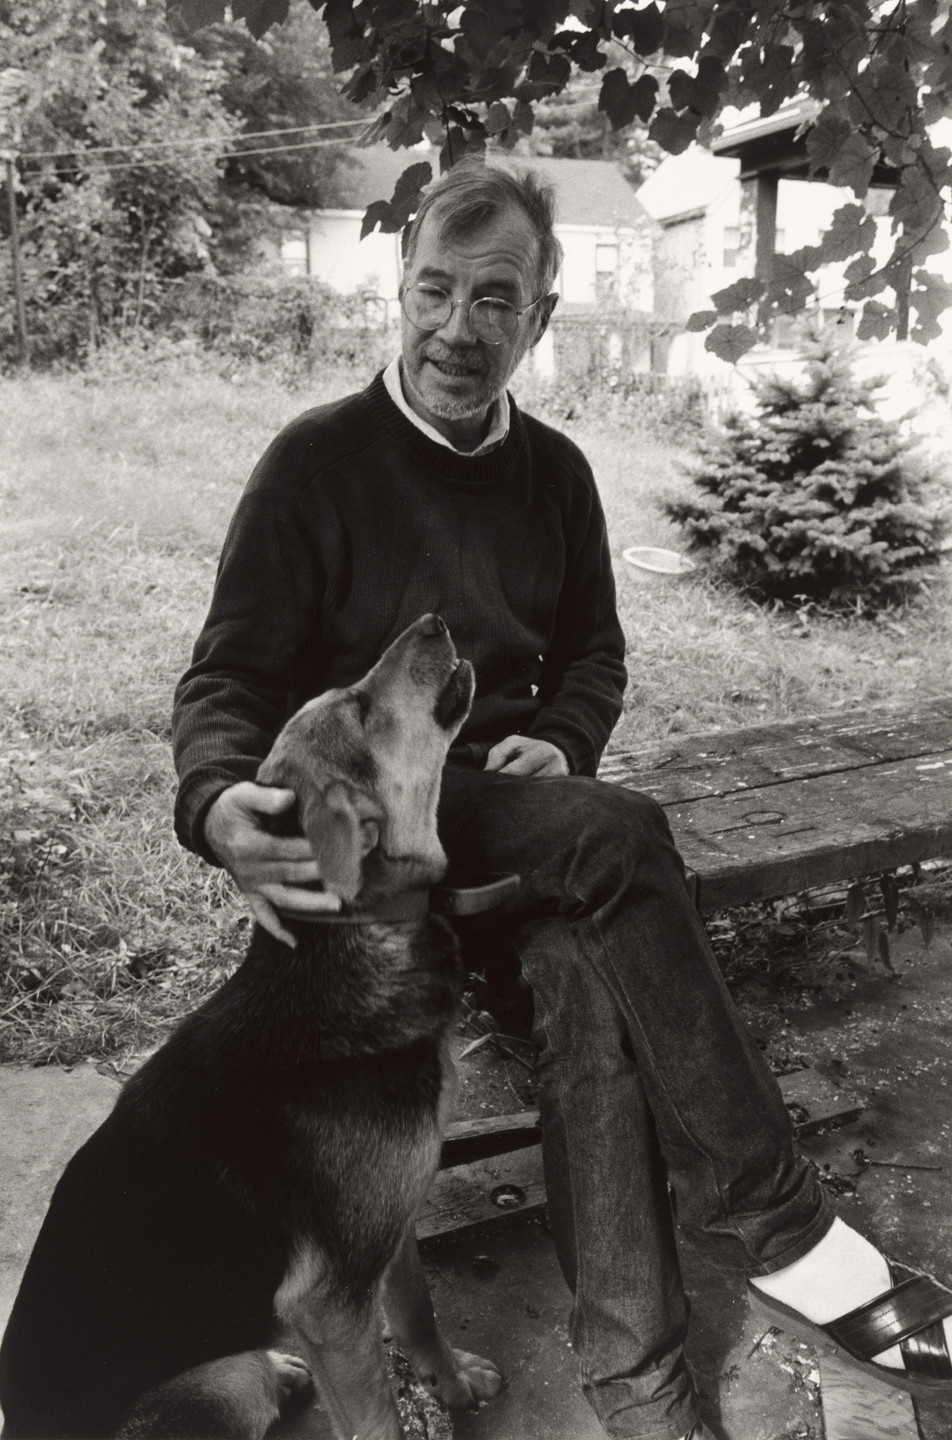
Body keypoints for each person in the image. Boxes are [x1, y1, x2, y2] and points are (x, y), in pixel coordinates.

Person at [172, 161, 952, 1440]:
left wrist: (571, 737)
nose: (456, 330)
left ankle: (639, 1394)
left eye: (495, 300)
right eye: (435, 291)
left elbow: (592, 652)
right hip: (375, 859)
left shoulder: (558, 473)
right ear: (400, 288)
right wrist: (214, 802)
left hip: (525, 826)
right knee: (625, 835)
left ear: (540, 318)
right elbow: (227, 677)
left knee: (590, 982)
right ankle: (780, 1228)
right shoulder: (314, 465)